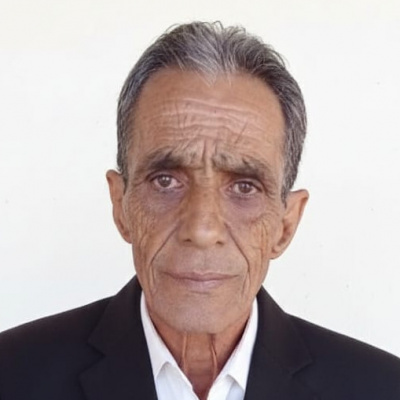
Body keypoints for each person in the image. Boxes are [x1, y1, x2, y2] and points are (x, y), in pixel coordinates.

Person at [0, 21, 399, 400]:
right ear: (121, 205)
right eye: (165, 181)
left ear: (286, 223)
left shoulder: (382, 388)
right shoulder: (13, 374)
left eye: (244, 187)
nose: (202, 229)